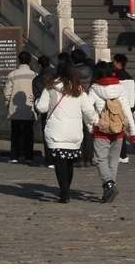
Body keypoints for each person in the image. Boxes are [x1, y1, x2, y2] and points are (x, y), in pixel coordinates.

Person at [36, 65, 102, 203]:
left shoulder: (50, 88)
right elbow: (88, 111)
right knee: (69, 162)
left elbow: (41, 107)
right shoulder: (79, 89)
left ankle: (64, 192)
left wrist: (36, 100)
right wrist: (97, 121)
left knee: (59, 162)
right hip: (74, 131)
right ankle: (66, 190)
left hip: (56, 131)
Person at [89, 61, 135, 203]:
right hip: (118, 129)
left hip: (101, 129)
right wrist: (133, 132)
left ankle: (109, 184)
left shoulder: (94, 89)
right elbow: (127, 110)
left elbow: (87, 109)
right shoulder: (120, 87)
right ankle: (110, 186)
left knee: (101, 159)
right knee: (114, 160)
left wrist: (94, 123)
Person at [4, 51, 38, 164]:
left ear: (19, 60)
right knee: (29, 133)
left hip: (15, 109)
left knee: (15, 133)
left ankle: (14, 156)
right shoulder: (34, 74)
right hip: (30, 107)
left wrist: (8, 101)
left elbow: (7, 91)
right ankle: (29, 156)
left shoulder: (13, 74)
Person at [112, 53, 135, 163]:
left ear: (118, 63)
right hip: (129, 106)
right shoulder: (129, 77)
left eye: (114, 61)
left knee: (119, 132)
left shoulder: (118, 78)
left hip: (120, 107)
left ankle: (122, 154)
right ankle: (123, 154)